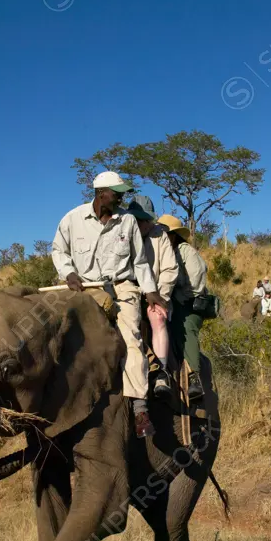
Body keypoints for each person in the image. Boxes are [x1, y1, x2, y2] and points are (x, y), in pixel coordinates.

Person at [51, 171, 165, 438]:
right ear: (101, 193)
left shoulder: (127, 222)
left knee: (132, 337)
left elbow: (139, 261)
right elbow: (58, 250)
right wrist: (68, 272)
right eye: (117, 193)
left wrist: (149, 290)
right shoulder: (72, 219)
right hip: (85, 288)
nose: (121, 197)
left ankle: (140, 408)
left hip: (122, 287)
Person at [127, 195, 179, 398]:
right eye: (138, 219)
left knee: (157, 317)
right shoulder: (121, 231)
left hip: (155, 292)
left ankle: (162, 372)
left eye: (145, 220)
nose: (142, 224)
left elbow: (169, 269)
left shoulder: (160, 236)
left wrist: (159, 295)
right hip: (126, 293)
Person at [159, 214, 209, 402]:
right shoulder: (163, 251)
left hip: (188, 304)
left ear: (173, 235)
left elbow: (196, 280)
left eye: (165, 233)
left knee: (186, 331)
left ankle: (195, 378)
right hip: (170, 302)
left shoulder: (185, 250)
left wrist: (174, 287)